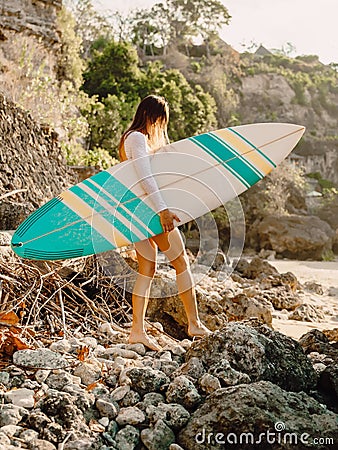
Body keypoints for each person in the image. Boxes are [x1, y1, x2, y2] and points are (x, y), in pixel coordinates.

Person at [118, 95, 211, 351]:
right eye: (160, 120)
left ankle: (137, 331)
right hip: (149, 212)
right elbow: (144, 176)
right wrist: (163, 210)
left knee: (147, 270)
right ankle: (194, 323)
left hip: (138, 212)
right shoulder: (136, 138)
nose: (161, 126)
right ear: (150, 115)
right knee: (181, 263)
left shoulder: (132, 138)